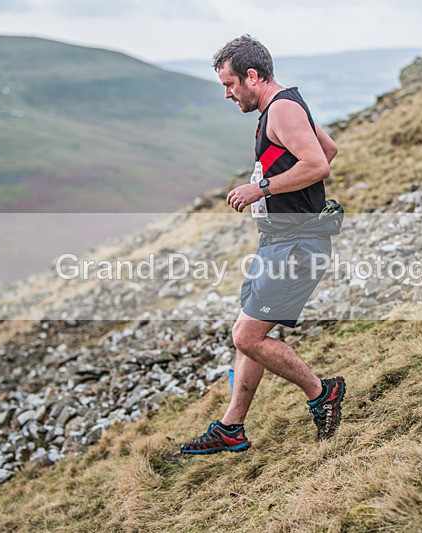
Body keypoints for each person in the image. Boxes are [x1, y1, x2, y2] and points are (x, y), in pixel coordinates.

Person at [180, 35, 345, 454]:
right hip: (280, 241)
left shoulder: (283, 109)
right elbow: (327, 147)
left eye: (230, 84)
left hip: (296, 244)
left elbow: (319, 163)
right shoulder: (283, 106)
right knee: (251, 328)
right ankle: (232, 427)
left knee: (247, 335)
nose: (227, 94)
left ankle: (321, 393)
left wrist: (262, 188)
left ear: (252, 76)